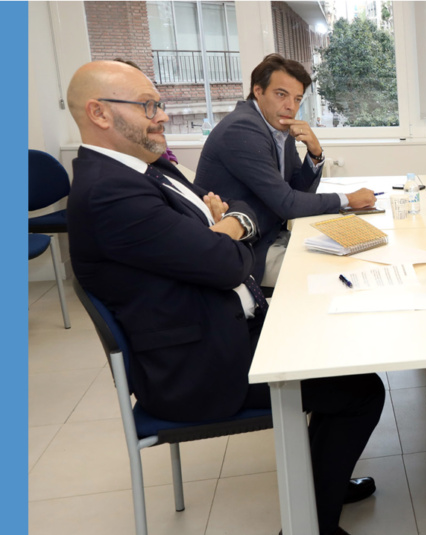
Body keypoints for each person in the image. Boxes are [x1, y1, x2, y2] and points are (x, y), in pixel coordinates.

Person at [65, 60, 384, 535]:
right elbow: (228, 259)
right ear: (100, 114)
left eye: (159, 104)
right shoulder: (113, 193)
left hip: (217, 325)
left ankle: (320, 486)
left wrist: (227, 225)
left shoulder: (148, 170)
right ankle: (312, 521)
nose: (163, 116)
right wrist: (229, 228)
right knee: (361, 390)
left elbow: (227, 213)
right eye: (148, 105)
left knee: (334, 343)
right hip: (197, 366)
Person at [195, 54, 376, 282]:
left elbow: (298, 192)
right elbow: (288, 203)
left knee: (354, 251)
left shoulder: (277, 124)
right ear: (258, 91)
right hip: (247, 249)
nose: (291, 106)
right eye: (281, 95)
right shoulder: (242, 129)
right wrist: (348, 199)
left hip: (274, 234)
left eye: (297, 99)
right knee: (340, 272)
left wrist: (315, 153)